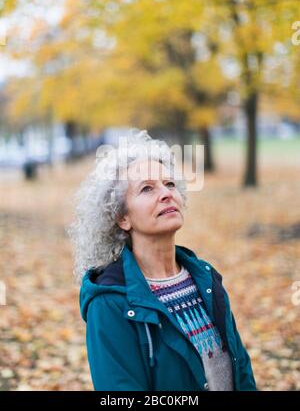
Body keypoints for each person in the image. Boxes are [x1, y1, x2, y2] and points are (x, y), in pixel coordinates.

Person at [68, 128, 256, 391]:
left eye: (169, 184)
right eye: (147, 189)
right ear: (122, 218)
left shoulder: (206, 278)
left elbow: (242, 373)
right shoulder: (110, 304)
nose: (167, 193)